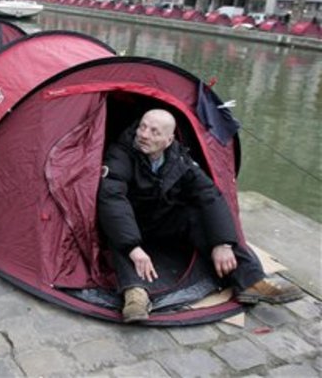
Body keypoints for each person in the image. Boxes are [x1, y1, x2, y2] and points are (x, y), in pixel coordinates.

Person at [97, 109, 302, 322]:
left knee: (199, 216)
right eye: (143, 127)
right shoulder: (120, 153)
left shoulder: (178, 157)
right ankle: (135, 294)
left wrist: (223, 243)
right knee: (118, 233)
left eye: (154, 132)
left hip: (161, 221)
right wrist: (133, 247)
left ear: (169, 140)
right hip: (133, 221)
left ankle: (250, 281)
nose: (144, 134)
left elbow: (209, 194)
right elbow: (112, 198)